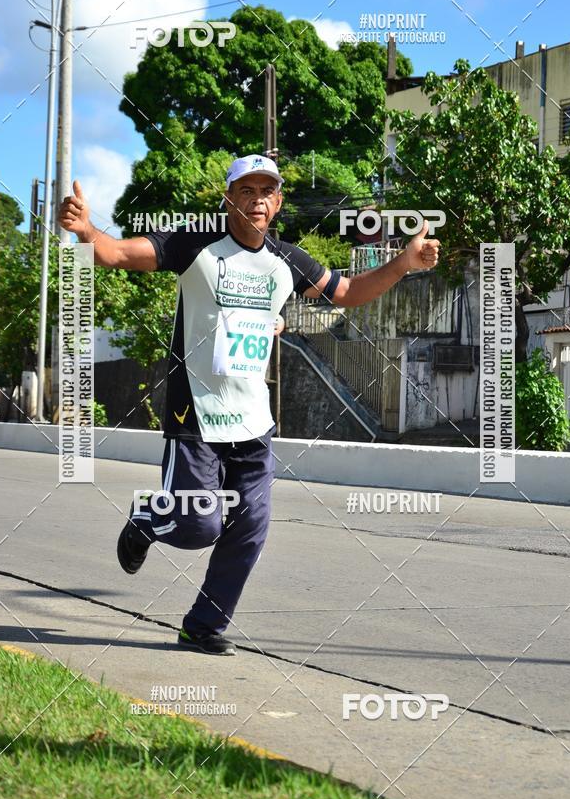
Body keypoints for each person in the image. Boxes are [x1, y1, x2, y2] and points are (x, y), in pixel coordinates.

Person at [58, 153, 440, 655]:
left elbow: (346, 291)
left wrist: (404, 263)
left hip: (253, 422)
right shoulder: (195, 244)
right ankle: (148, 519)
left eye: (266, 192)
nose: (257, 200)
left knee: (251, 528)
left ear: (278, 203)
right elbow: (119, 255)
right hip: (195, 416)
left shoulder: (287, 260)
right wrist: (87, 231)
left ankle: (202, 626)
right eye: (246, 190)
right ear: (229, 198)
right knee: (198, 525)